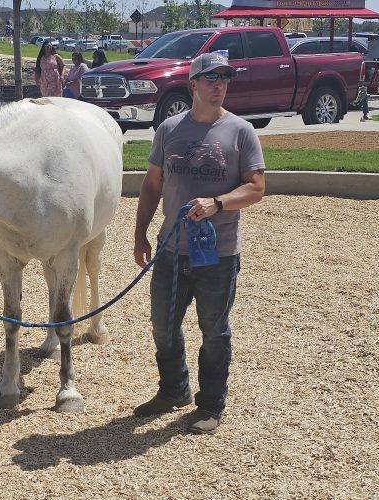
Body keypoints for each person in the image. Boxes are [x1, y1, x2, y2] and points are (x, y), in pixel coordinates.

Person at [132, 52, 265, 434]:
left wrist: (218, 203)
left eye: (224, 78)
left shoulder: (241, 131)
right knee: (163, 326)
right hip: (171, 250)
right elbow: (152, 185)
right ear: (193, 84)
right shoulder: (169, 129)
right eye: (211, 78)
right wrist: (140, 234)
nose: (219, 85)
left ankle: (210, 405)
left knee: (215, 331)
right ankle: (174, 390)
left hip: (218, 254)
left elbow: (257, 188)